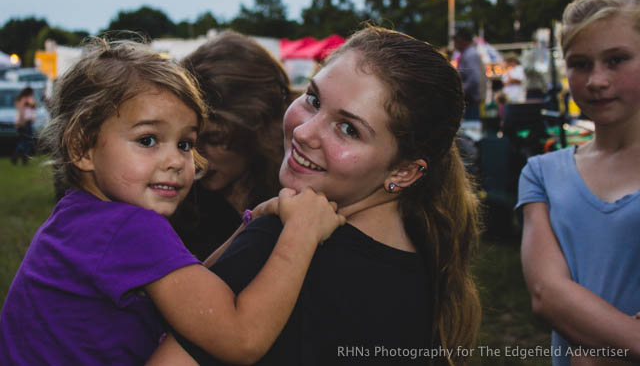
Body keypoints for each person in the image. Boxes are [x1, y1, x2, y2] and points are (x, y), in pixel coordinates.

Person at [148, 26, 482, 365]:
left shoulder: (281, 245)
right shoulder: (430, 265)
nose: (304, 132)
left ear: (404, 172)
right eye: (313, 100)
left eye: (348, 128)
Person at [0, 37, 344, 365]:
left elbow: (193, 289)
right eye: (148, 139)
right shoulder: (130, 227)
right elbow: (242, 340)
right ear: (82, 147)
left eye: (185, 143)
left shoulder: (80, 216)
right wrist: (301, 234)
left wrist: (252, 221)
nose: (177, 161)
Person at [518, 0, 640, 366]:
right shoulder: (543, 173)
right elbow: (547, 294)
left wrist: (595, 348)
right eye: (581, 64)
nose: (596, 80)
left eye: (616, 60)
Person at [171, 31, 294, 260]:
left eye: (214, 139)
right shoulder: (176, 204)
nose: (197, 158)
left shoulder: (294, 192)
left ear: (258, 129)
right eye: (186, 142)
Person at [454, 28, 487, 120]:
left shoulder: (470, 55)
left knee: (471, 128)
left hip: (471, 101)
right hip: (470, 101)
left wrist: (461, 91)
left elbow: (474, 79)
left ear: (463, 41)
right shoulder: (467, 54)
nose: (455, 44)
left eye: (456, 41)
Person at [11, 86, 36, 165]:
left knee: (24, 141)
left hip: (25, 122)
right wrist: (21, 121)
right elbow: (21, 111)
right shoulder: (25, 100)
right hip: (25, 122)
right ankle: (20, 157)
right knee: (26, 141)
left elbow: (34, 104)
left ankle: (20, 157)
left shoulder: (23, 99)